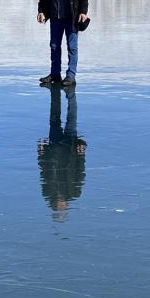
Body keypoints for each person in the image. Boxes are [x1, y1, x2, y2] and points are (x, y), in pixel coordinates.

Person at [37, 0, 90, 87]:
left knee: (72, 46)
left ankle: (71, 76)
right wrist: (41, 10)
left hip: (72, 16)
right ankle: (55, 74)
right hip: (55, 15)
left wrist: (83, 12)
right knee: (54, 45)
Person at [36, 86, 86, 221]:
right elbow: (80, 172)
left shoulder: (48, 192)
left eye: (60, 209)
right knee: (71, 118)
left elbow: (44, 171)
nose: (61, 206)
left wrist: (41, 153)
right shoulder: (74, 192)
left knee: (55, 119)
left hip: (55, 148)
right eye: (62, 209)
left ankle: (60, 96)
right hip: (69, 150)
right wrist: (81, 155)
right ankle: (68, 96)